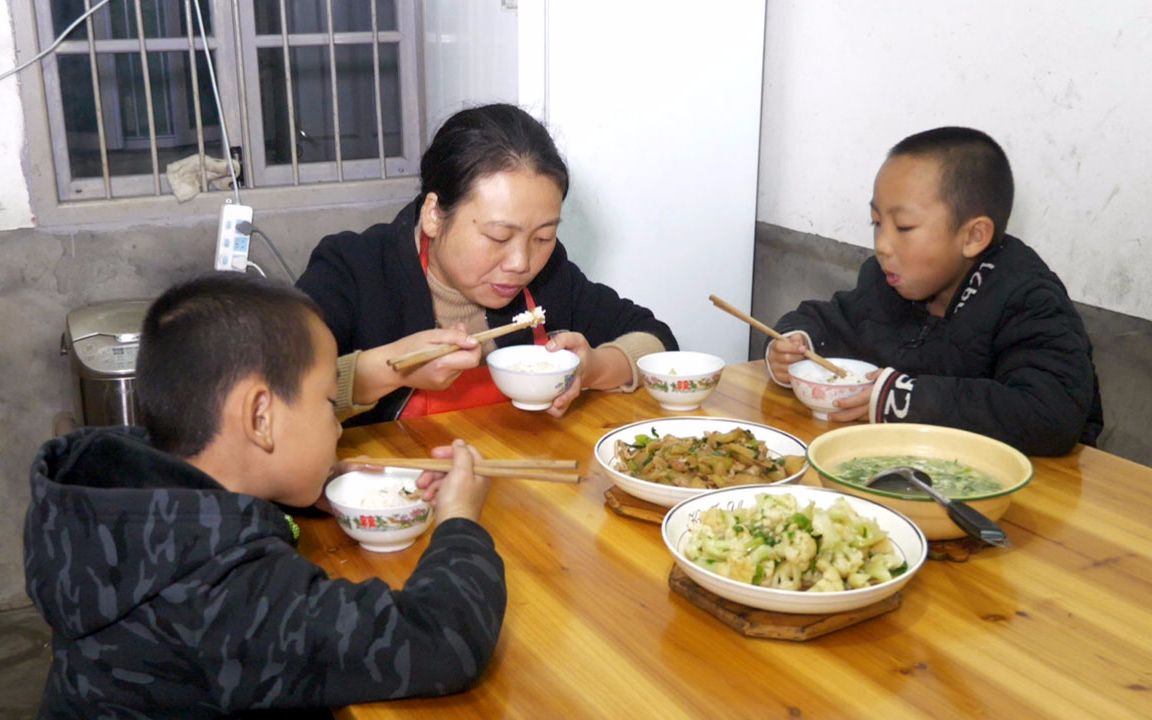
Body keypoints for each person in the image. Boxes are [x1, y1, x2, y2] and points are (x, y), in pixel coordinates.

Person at [23, 274, 507, 718]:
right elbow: (443, 642)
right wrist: (460, 521)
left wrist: (292, 486)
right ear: (259, 417)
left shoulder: (117, 497)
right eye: (325, 403)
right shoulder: (225, 591)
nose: (336, 425)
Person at [296, 103, 677, 425]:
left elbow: (655, 339)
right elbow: (272, 396)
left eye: (543, 237)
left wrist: (593, 368)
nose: (521, 262)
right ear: (433, 214)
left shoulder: (549, 277)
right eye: (498, 236)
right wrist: (389, 369)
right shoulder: (352, 269)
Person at [765, 127, 1102, 456]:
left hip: (1025, 490)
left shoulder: (1027, 298)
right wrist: (795, 344)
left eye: (904, 227)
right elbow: (829, 320)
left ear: (973, 237)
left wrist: (900, 399)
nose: (882, 246)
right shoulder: (886, 282)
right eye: (876, 222)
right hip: (907, 466)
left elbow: (1049, 414)